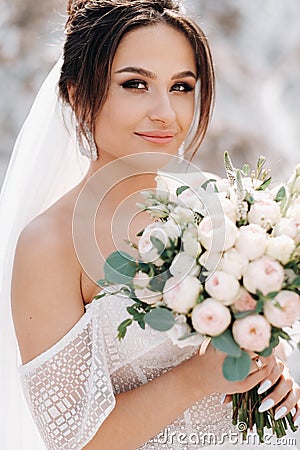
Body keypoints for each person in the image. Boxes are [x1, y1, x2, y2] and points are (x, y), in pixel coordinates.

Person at [0, 1, 299, 449]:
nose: (165, 112)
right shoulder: (51, 245)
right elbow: (72, 443)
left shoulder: (220, 207)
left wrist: (270, 368)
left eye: (181, 86)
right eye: (135, 84)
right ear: (78, 94)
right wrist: (193, 381)